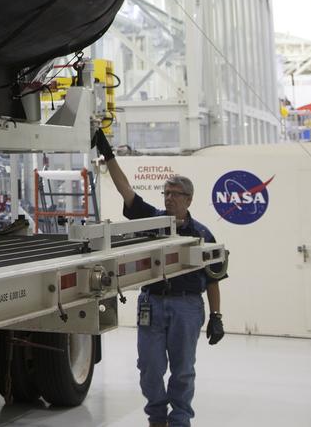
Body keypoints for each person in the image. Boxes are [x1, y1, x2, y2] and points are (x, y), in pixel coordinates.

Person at [94, 129, 224, 427]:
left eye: (174, 194)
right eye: (165, 193)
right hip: (151, 303)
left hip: (187, 307)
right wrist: (108, 155)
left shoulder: (202, 234)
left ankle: (179, 420)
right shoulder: (151, 220)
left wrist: (216, 315)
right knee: (149, 368)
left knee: (182, 370)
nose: (168, 199)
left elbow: (215, 277)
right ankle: (157, 417)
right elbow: (125, 189)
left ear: (188, 199)